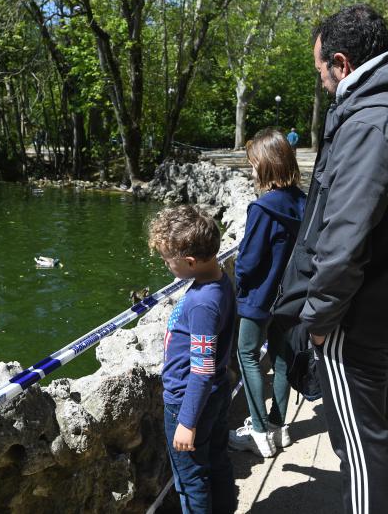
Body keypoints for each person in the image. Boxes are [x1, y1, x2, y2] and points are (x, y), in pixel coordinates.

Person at [272, 4, 388, 513]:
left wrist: (318, 319)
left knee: (359, 445)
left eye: (320, 73)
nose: (323, 85)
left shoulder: (369, 123)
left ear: (341, 61)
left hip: (359, 316)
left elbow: (344, 240)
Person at [148, 205, 237, 514]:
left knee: (190, 480)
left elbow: (201, 369)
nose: (165, 264)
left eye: (167, 260)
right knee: (217, 460)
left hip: (189, 402)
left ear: (189, 262)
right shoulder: (218, 280)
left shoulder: (202, 303)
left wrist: (186, 422)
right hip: (215, 393)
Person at [227, 129, 306, 458]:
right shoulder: (304, 202)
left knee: (247, 356)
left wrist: (240, 286)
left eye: (253, 163)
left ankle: (259, 432)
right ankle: (277, 427)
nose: (251, 169)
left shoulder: (262, 209)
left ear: (267, 165)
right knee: (282, 357)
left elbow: (246, 261)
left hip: (259, 298)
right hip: (290, 297)